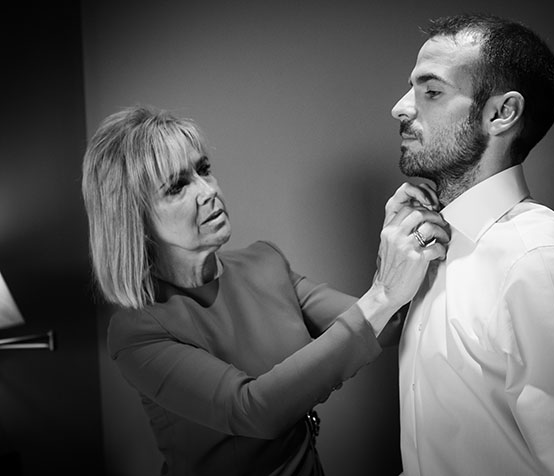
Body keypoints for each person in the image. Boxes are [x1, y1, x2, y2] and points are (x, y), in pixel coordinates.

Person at [81, 105, 449, 476]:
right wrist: (382, 294)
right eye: (177, 187)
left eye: (203, 169)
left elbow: (386, 323)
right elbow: (253, 410)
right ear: (135, 218)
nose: (208, 190)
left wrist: (395, 241)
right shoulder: (138, 331)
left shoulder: (263, 262)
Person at [390, 13, 554, 476]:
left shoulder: (538, 265)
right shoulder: (433, 247)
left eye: (431, 91)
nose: (400, 108)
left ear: (501, 113)